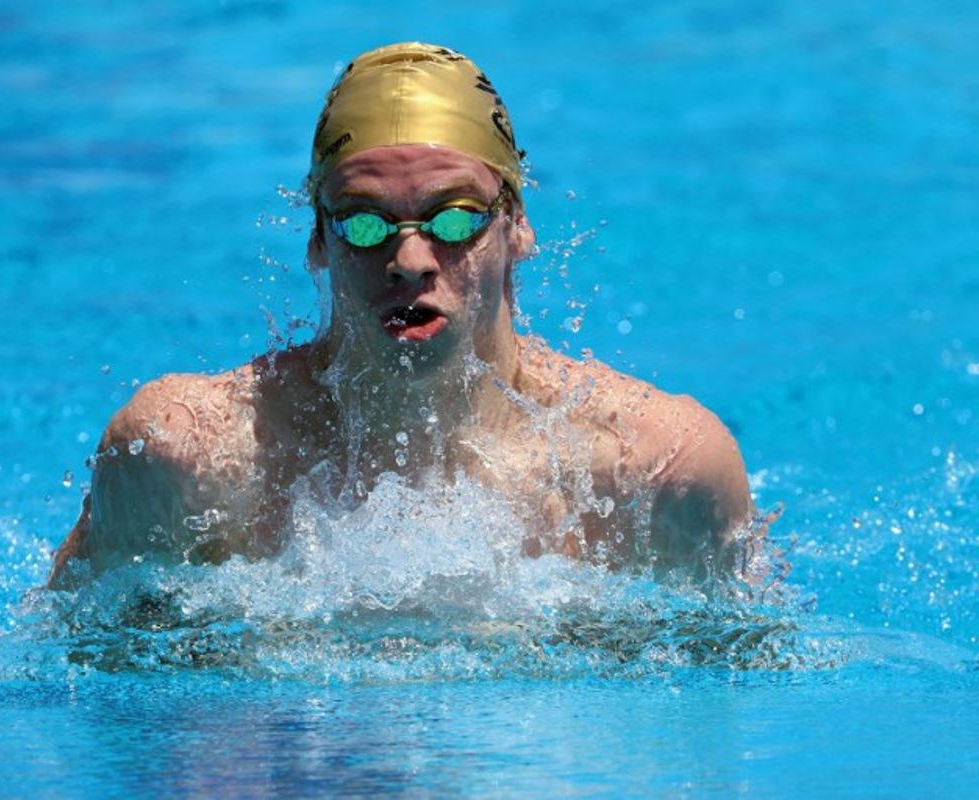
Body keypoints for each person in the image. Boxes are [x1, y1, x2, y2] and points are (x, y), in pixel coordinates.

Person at [48, 42, 755, 588]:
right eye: (363, 222)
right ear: (318, 239)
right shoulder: (189, 457)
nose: (409, 258)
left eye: (453, 219)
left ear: (518, 226)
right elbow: (74, 683)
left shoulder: (658, 472)